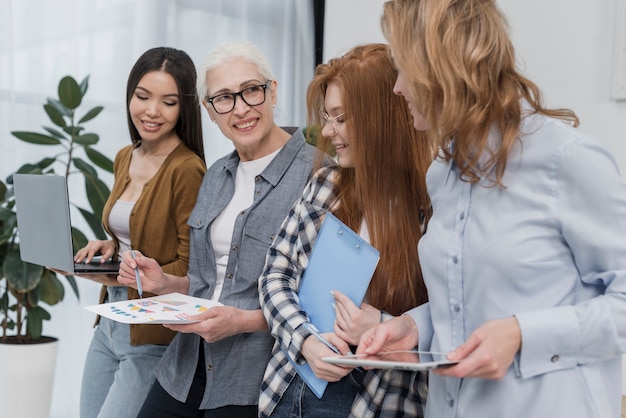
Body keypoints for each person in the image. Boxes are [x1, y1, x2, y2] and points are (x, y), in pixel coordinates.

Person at [357, 1, 626, 417]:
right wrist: (415, 326)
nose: (397, 88)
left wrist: (523, 334)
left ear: (440, 66)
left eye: (402, 68)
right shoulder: (442, 174)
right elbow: (467, 298)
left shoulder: (567, 160)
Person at [116, 40, 329, 418]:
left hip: (253, 378)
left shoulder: (318, 174)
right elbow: (205, 282)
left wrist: (242, 321)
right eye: (224, 98)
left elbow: (323, 304)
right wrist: (164, 283)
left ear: (273, 90)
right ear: (210, 111)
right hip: (184, 367)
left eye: (251, 90)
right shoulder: (215, 175)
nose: (241, 108)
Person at [257, 43, 434, 418]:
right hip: (290, 385)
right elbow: (275, 274)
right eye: (327, 116)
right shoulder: (327, 184)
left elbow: (453, 316)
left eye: (340, 117)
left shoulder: (431, 208)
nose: (327, 130)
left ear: (382, 117)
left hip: (371, 398)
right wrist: (307, 342)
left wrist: (382, 327)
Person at [70, 47, 206, 418]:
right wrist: (108, 247)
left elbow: (191, 267)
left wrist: (125, 271)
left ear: (184, 108)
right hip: (110, 321)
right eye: (142, 97)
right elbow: (136, 234)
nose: (151, 111)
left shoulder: (187, 169)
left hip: (150, 333)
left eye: (168, 102)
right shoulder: (125, 157)